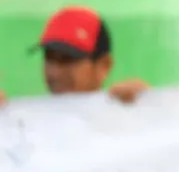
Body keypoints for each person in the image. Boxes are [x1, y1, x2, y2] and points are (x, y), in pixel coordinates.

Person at [0, 6, 148, 106]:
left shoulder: (122, 116)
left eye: (68, 59)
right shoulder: (29, 125)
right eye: (49, 58)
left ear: (104, 66)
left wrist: (147, 107)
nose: (55, 72)